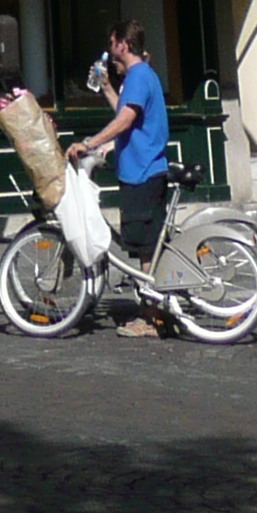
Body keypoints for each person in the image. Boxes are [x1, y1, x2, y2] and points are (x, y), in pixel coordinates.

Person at [66, 20, 171, 338]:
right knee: (144, 247)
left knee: (146, 249)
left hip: (143, 170)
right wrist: (108, 88)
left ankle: (151, 317)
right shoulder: (138, 77)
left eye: (112, 43)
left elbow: (125, 120)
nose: (109, 50)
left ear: (123, 44)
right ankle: (153, 310)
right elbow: (128, 114)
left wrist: (91, 143)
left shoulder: (139, 75)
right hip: (139, 168)